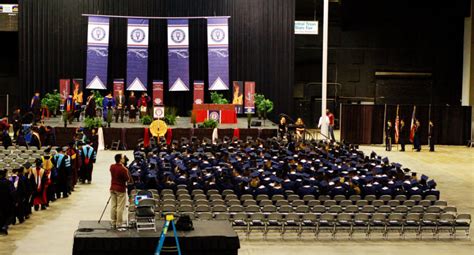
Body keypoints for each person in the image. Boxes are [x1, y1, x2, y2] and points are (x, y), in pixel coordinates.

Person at [109, 154, 132, 229]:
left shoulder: (112, 166)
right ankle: (119, 223)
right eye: (123, 158)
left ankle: (113, 222)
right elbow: (127, 179)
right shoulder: (123, 169)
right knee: (120, 207)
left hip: (112, 188)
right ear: (120, 159)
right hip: (120, 189)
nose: (124, 159)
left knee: (113, 205)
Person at [0, 169, 13, 235]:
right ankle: (4, 227)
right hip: (7, 202)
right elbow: (12, 193)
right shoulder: (8, 182)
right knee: (8, 215)